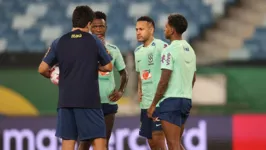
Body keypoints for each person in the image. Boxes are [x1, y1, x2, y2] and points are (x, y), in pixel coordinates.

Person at [38, 5, 112, 150]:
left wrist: (54, 76)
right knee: (99, 141)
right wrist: (93, 65)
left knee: (68, 141)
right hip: (88, 100)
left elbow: (42, 69)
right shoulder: (93, 41)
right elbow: (108, 67)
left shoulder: (59, 41)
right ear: (89, 23)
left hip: (65, 101)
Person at [78, 11, 128, 150]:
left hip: (108, 103)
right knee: (85, 143)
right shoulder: (82, 49)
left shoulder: (114, 50)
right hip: (88, 103)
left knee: (104, 143)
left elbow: (124, 73)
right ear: (89, 27)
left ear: (106, 27)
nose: (98, 30)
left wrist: (121, 91)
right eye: (95, 26)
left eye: (101, 26)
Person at [147, 14, 197, 150]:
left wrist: (153, 105)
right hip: (186, 101)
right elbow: (193, 78)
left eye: (166, 27)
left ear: (172, 30)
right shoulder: (191, 50)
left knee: (173, 144)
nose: (164, 29)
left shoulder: (169, 51)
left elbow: (164, 80)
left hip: (171, 102)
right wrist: (184, 93)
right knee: (177, 143)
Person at [134, 16, 168, 150]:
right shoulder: (137, 51)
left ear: (151, 30)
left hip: (159, 102)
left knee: (158, 138)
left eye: (141, 29)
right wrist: (139, 89)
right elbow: (140, 74)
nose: (138, 32)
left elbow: (170, 70)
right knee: (151, 142)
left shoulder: (161, 46)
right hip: (145, 103)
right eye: (136, 29)